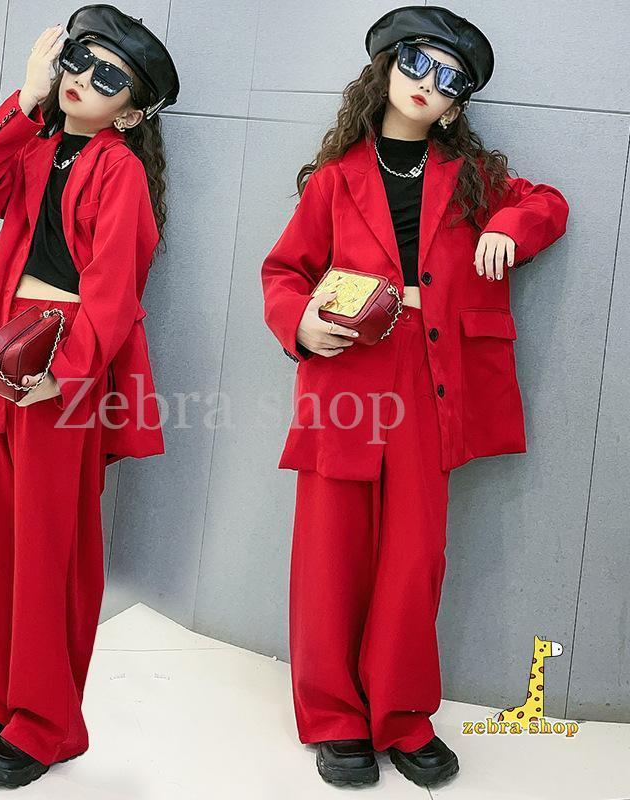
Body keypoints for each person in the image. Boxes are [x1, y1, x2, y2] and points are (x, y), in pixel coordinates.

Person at [260, 4, 569, 790]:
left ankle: (401, 716)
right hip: (345, 375)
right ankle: (335, 718)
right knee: (329, 552)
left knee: (414, 557)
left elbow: (548, 203)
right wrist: (299, 324)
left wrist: (508, 225)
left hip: (430, 379)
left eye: (450, 79)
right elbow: (284, 272)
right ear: (387, 71)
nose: (429, 83)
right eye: (417, 64)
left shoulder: (473, 181)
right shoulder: (335, 180)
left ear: (458, 106)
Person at [0, 4, 179, 788]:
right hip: (2, 350)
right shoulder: (34, 146)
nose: (84, 80)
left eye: (109, 78)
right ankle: (9, 696)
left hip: (61, 362)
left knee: (48, 550)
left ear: (132, 112)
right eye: (80, 60)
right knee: (1, 537)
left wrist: (65, 374)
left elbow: (114, 291)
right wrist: (27, 95)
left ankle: (45, 724)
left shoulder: (122, 171)